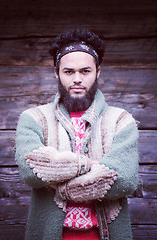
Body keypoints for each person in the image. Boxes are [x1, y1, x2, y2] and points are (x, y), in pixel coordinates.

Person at [15, 29, 139, 240]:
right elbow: (30, 170)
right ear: (57, 73)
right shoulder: (34, 118)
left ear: (98, 72)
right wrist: (89, 165)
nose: (77, 79)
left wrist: (58, 179)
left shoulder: (120, 120)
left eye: (85, 71)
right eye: (69, 72)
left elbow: (125, 179)